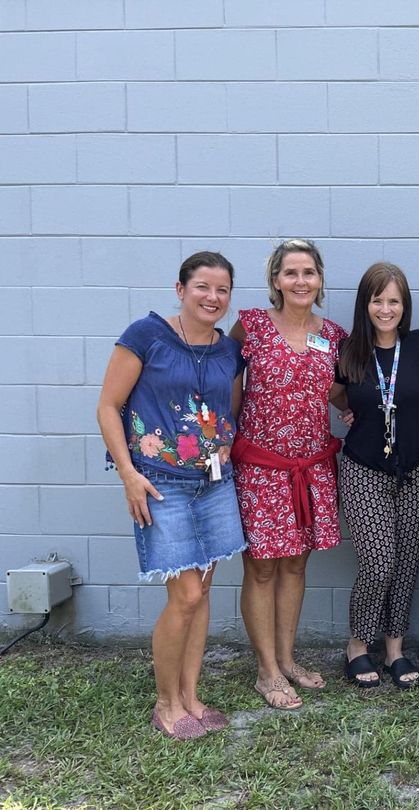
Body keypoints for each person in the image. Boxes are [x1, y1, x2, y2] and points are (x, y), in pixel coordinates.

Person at [97, 251, 246, 739]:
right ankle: (165, 703)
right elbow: (109, 405)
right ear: (180, 289)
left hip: (215, 483)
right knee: (182, 594)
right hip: (161, 485)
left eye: (222, 289)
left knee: (202, 593)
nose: (213, 297)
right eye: (203, 286)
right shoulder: (147, 335)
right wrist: (127, 474)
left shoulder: (229, 351)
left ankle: (190, 695)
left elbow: (230, 412)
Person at [229, 239, 348, 710]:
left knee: (297, 563)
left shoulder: (333, 335)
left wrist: (358, 412)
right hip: (261, 468)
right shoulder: (252, 326)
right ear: (276, 280)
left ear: (320, 280)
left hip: (312, 466)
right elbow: (227, 388)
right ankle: (266, 670)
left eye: (309, 273)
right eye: (291, 273)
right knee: (262, 568)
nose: (301, 281)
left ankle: (287, 658)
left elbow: (334, 390)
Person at [334, 263, 419, 690]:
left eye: (394, 300)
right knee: (379, 562)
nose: (386, 308)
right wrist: (355, 408)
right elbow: (336, 392)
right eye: (378, 299)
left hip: (417, 469)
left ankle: (394, 648)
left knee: (408, 562)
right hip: (363, 469)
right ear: (366, 303)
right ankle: (357, 645)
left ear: (404, 305)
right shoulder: (349, 350)